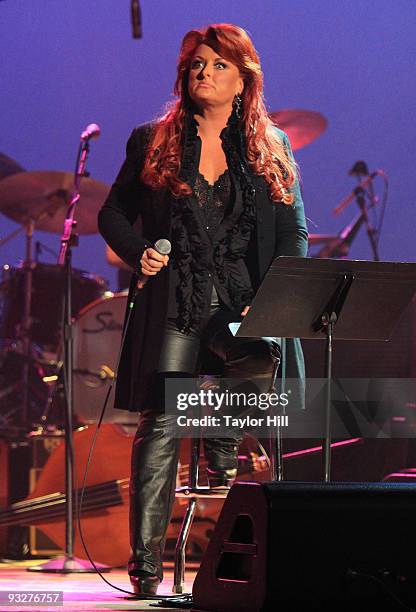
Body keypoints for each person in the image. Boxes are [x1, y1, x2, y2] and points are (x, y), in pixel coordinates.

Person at [98, 23, 308, 595]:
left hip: (241, 298)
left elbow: (293, 233)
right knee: (162, 422)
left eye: (217, 65)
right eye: (196, 65)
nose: (204, 74)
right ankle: (144, 568)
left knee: (258, 363)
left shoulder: (271, 144)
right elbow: (112, 212)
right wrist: (138, 252)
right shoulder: (152, 140)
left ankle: (218, 445)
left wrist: (282, 299)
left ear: (244, 78)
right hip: (176, 300)